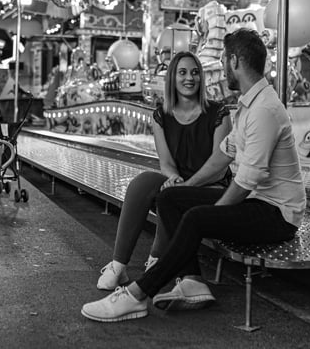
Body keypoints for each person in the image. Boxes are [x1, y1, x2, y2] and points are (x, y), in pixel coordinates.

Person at [81, 28, 306, 322]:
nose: (222, 68)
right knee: (171, 198)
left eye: (224, 61)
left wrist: (213, 215)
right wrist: (186, 188)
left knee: (196, 218)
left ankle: (136, 295)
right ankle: (192, 281)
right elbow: (223, 154)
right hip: (257, 202)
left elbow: (246, 180)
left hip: (277, 215)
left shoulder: (264, 109)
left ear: (235, 61)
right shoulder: (250, 104)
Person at [96, 51, 231, 292]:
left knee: (172, 197)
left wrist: (185, 186)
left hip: (213, 187)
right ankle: (118, 265)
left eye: (195, 72)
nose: (189, 78)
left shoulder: (218, 112)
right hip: (181, 183)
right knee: (143, 182)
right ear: (172, 78)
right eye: (182, 72)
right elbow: (166, 162)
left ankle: (156, 260)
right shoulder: (161, 115)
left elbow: (218, 167)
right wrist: (174, 178)